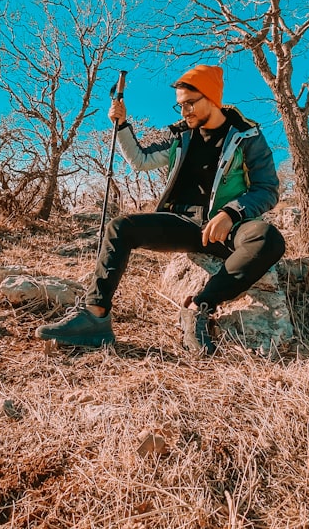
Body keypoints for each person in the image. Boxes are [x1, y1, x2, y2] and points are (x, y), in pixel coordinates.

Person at [36, 64, 285, 355]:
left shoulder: (247, 136)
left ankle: (198, 307)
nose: (184, 112)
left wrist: (230, 213)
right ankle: (95, 317)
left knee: (268, 239)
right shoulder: (182, 137)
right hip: (181, 222)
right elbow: (141, 160)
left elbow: (266, 189)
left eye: (190, 104)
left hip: (226, 227)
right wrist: (123, 126)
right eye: (180, 106)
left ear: (212, 99)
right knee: (120, 227)